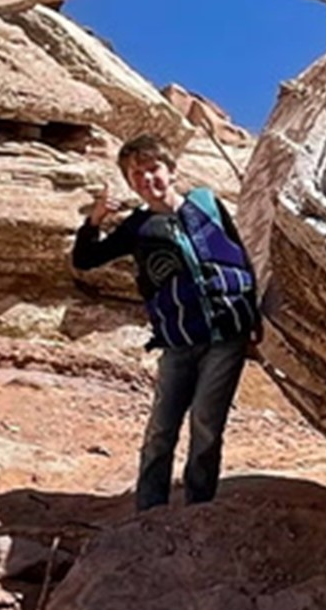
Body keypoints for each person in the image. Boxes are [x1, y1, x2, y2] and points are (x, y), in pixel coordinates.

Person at [72, 133, 259, 510]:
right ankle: (150, 510)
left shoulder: (207, 203)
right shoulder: (136, 228)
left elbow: (243, 255)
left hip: (227, 333)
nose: (147, 179)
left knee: (207, 424)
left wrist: (253, 317)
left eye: (153, 169)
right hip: (178, 340)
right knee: (162, 428)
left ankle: (197, 506)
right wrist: (94, 221)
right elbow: (86, 259)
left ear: (171, 171)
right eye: (136, 174)